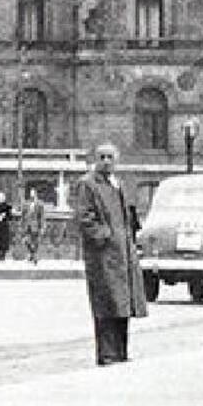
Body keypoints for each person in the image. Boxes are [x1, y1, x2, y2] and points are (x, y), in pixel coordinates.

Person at [74, 143, 148, 365]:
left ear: (116, 160)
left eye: (110, 157)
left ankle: (121, 351)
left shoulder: (118, 184)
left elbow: (128, 216)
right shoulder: (88, 184)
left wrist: (130, 241)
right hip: (103, 255)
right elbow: (84, 217)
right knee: (106, 302)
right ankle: (107, 353)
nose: (106, 161)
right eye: (102, 157)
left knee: (123, 303)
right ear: (95, 159)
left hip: (123, 253)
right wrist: (103, 236)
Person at [23, 188, 46, 264]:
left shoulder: (40, 204)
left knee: (35, 241)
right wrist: (22, 224)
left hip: (36, 225)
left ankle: (34, 255)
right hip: (27, 225)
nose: (32, 195)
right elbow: (23, 215)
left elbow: (42, 216)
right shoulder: (26, 204)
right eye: (30, 194)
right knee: (26, 240)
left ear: (36, 194)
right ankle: (32, 254)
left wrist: (42, 226)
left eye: (33, 193)